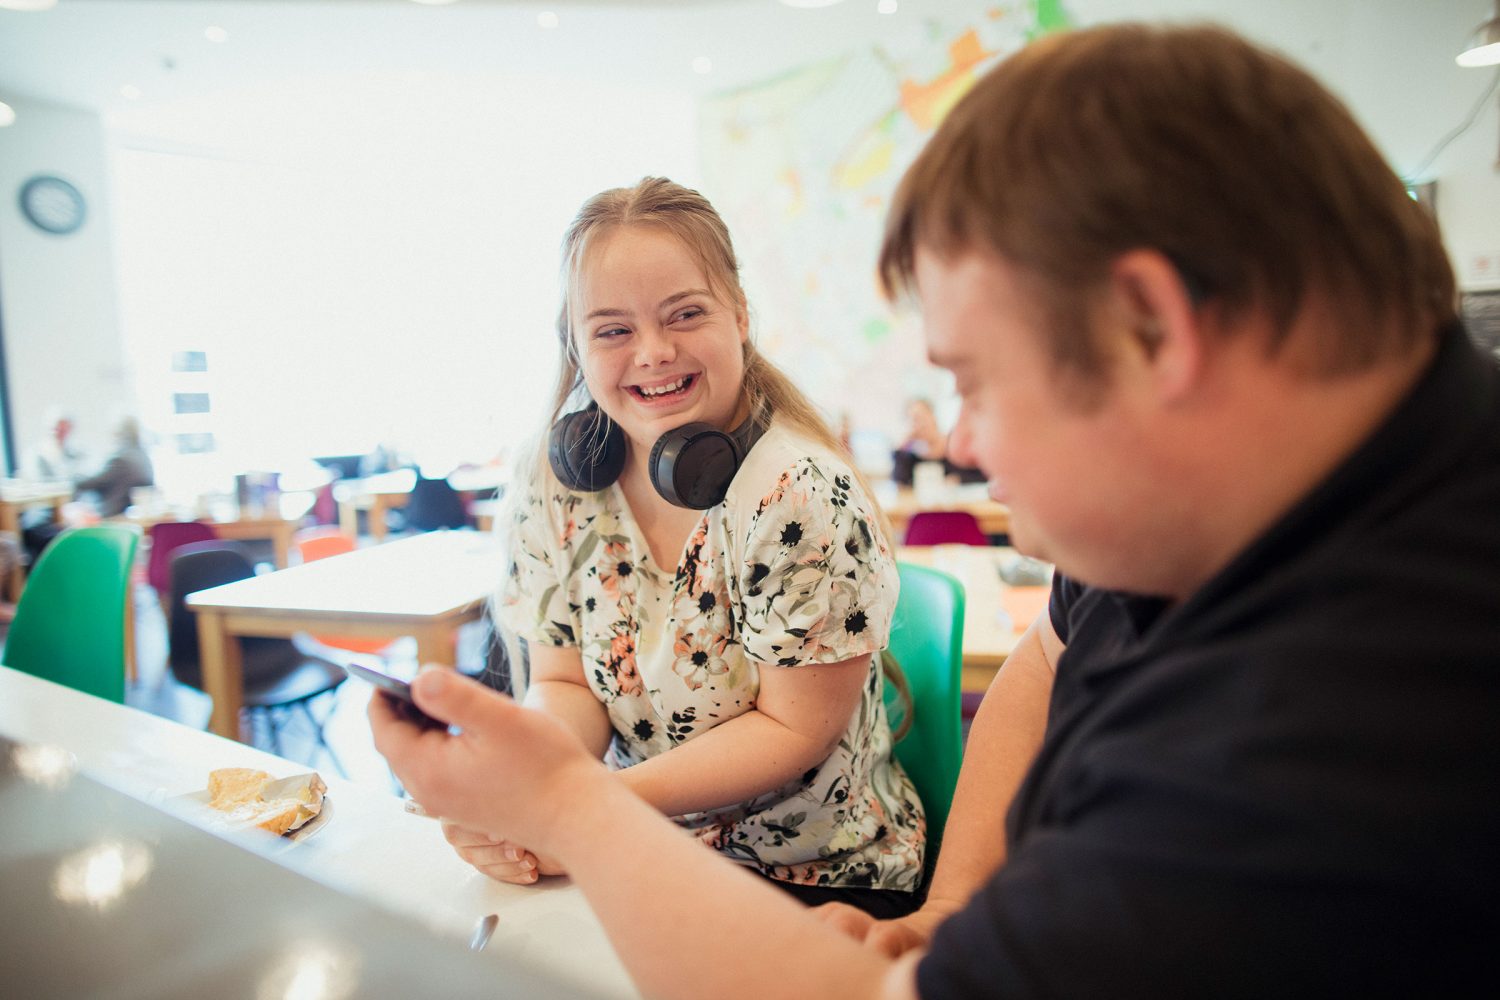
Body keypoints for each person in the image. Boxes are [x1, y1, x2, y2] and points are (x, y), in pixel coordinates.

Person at [371, 23, 1499, 999]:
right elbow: (1052, 649)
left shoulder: (1329, 747)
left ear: (1153, 329)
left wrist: (571, 808)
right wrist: (959, 904)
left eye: (973, 380)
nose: (959, 441)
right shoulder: (1237, 509)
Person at [443, 177, 925, 916]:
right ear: (575, 344)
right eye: (612, 330)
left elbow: (792, 727)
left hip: (815, 878)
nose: (654, 353)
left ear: (739, 314)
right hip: (640, 848)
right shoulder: (551, 479)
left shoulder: (796, 489)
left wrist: (587, 808)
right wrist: (533, 794)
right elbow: (565, 684)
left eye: (685, 314)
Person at [891, 398, 984, 486]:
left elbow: (983, 475)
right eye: (912, 420)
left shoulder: (956, 443)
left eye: (919, 418)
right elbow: (899, 482)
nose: (918, 425)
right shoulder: (913, 457)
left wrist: (959, 480)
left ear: (933, 416)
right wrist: (903, 445)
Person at [74, 416, 153, 518]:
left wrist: (75, 477)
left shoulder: (121, 459)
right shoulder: (143, 456)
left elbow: (92, 483)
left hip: (113, 513)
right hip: (131, 511)